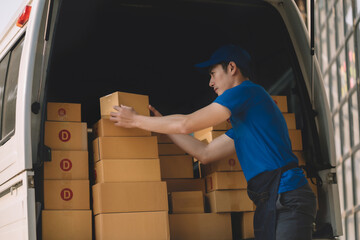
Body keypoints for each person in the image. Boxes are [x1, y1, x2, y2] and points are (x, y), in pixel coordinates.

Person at [109, 44, 317, 240]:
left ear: (232, 68)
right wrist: (160, 124)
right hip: (276, 199)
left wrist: (135, 120)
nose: (211, 83)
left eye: (213, 74)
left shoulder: (245, 92)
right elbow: (204, 153)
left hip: (286, 197)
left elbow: (187, 124)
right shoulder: (247, 123)